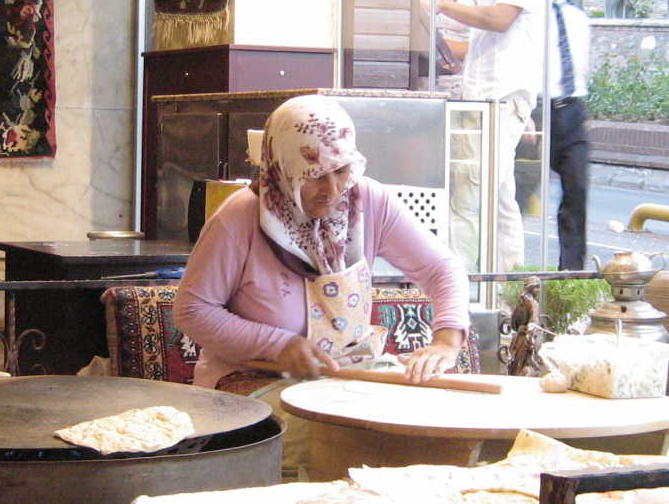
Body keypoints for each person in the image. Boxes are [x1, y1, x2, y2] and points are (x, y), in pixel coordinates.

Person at [174, 95, 469, 474]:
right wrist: (278, 344)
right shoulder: (238, 218)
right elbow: (192, 310)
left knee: (432, 422)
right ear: (282, 169)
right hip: (256, 382)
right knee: (335, 436)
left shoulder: (369, 201)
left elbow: (442, 267)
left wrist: (447, 340)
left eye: (341, 170)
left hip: (347, 373)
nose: (332, 189)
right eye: (314, 176)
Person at [435, 0, 546, 271]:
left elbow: (499, 19)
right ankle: (508, 285)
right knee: (497, 198)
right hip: (487, 95)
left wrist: (439, 6)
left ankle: (462, 284)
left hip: (498, 98)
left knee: (468, 194)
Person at [541, 0, 591, 270]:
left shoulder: (578, 17)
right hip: (538, 110)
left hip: (572, 110)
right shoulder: (530, 17)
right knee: (518, 196)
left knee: (577, 189)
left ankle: (570, 274)